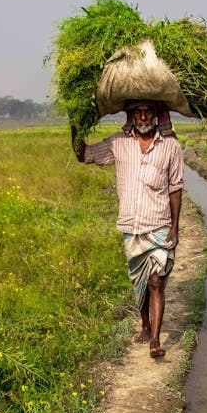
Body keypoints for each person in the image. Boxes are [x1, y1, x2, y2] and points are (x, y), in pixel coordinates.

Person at [71, 100, 183, 358]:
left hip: (159, 225)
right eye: (138, 112)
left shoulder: (170, 147)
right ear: (131, 116)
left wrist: (175, 227)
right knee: (141, 283)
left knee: (156, 281)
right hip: (131, 228)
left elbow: (175, 187)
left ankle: (155, 340)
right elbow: (83, 154)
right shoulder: (117, 144)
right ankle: (145, 325)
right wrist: (75, 125)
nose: (143, 117)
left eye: (148, 112)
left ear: (155, 115)